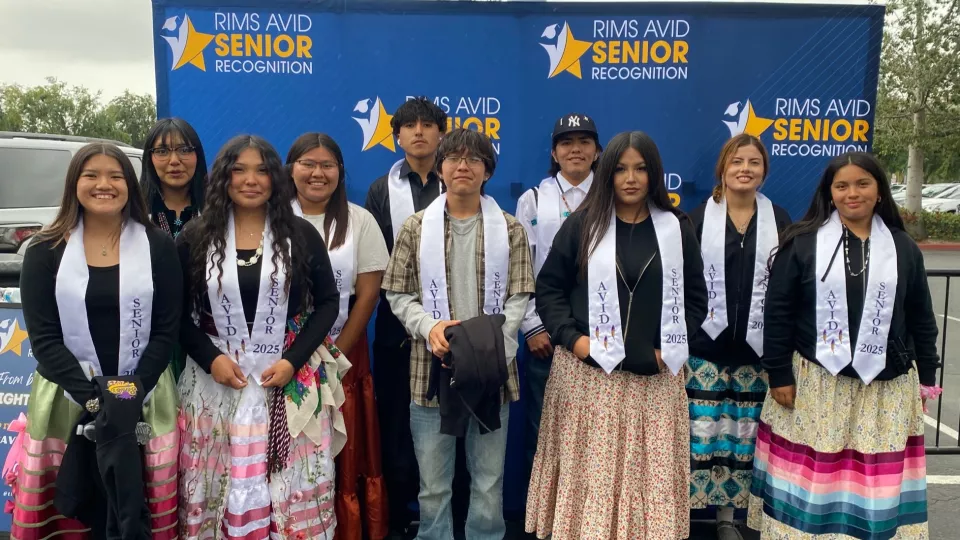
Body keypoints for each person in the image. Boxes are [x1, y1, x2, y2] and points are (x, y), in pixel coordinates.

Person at [747, 151, 940, 539]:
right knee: (814, 478)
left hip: (885, 390)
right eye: (842, 186)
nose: (853, 193)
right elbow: (778, 313)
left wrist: (927, 377)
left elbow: (921, 317)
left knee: (873, 482)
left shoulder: (903, 248)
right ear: (829, 193)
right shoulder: (802, 244)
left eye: (862, 183)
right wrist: (779, 373)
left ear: (879, 191)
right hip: (817, 385)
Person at [526, 131, 708, 540]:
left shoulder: (676, 228)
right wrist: (574, 339)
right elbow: (550, 290)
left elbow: (697, 297)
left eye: (641, 168)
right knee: (591, 476)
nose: (631, 178)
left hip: (655, 381)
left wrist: (673, 345)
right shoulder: (583, 224)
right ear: (607, 173)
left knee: (649, 477)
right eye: (622, 168)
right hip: (588, 379)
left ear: (654, 174)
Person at [175, 135, 341, 539]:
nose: (251, 180)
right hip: (215, 383)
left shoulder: (301, 235)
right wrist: (209, 358)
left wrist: (293, 360)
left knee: (290, 485)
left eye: (262, 170)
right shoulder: (195, 238)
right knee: (218, 481)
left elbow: (328, 304)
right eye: (239, 170)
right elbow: (175, 316)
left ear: (276, 179)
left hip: (286, 381)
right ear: (222, 178)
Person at [15, 143, 183, 539]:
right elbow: (43, 337)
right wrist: (95, 400)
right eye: (91, 175)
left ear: (131, 185)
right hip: (67, 397)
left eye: (115, 175)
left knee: (135, 510)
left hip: (145, 393)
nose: (103, 184)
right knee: (75, 513)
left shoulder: (157, 246)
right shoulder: (45, 250)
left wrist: (128, 394)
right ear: (75, 183)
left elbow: (165, 329)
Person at [382, 128, 535, 540]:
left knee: (488, 483)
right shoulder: (416, 228)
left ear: (487, 171)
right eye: (453, 159)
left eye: (474, 159)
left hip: (491, 374)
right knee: (433, 487)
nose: (462, 166)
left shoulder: (510, 229)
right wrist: (428, 326)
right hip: (429, 373)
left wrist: (492, 349)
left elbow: (520, 296)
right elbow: (397, 293)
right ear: (440, 169)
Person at [685, 134, 791, 540]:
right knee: (699, 439)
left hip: (756, 355)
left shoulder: (780, 221)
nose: (745, 169)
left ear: (764, 170)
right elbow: (683, 290)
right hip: (704, 354)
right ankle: (684, 515)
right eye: (737, 162)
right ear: (723, 169)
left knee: (740, 442)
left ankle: (728, 518)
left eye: (754, 162)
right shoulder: (695, 219)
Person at [286, 132, 390, 540]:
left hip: (343, 352)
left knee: (343, 445)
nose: (317, 173)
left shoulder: (359, 219)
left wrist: (333, 356)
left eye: (326, 165)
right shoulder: (267, 218)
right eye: (307, 163)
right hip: (281, 354)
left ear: (340, 172)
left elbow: (368, 294)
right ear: (290, 169)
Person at [363, 96, 448, 536]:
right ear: (396, 136)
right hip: (396, 329)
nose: (418, 131)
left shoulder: (459, 179)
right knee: (396, 428)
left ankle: (448, 521)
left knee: (449, 429)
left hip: (452, 328)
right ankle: (397, 520)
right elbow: (378, 260)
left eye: (427, 124)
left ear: (440, 132)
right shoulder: (382, 189)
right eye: (409, 126)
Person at [514, 112, 601, 493]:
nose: (576, 149)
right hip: (547, 336)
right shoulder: (533, 199)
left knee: (601, 436)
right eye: (567, 142)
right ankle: (545, 519)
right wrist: (532, 326)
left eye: (584, 142)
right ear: (554, 152)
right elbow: (521, 267)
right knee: (545, 430)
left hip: (603, 335)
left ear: (598, 151)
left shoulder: (615, 196)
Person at [140, 117, 208, 239]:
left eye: (184, 150)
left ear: (198, 155)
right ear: (149, 159)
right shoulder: (135, 212)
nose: (174, 161)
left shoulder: (216, 209)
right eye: (162, 151)